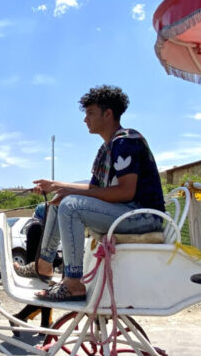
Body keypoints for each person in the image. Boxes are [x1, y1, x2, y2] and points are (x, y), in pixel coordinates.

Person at [21, 85, 165, 301]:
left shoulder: (126, 141)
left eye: (90, 113)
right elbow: (96, 189)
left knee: (70, 205)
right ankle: (44, 265)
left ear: (108, 114)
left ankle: (73, 283)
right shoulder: (107, 148)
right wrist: (56, 185)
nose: (85, 119)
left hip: (143, 216)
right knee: (56, 203)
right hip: (124, 212)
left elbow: (126, 192)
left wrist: (68, 193)